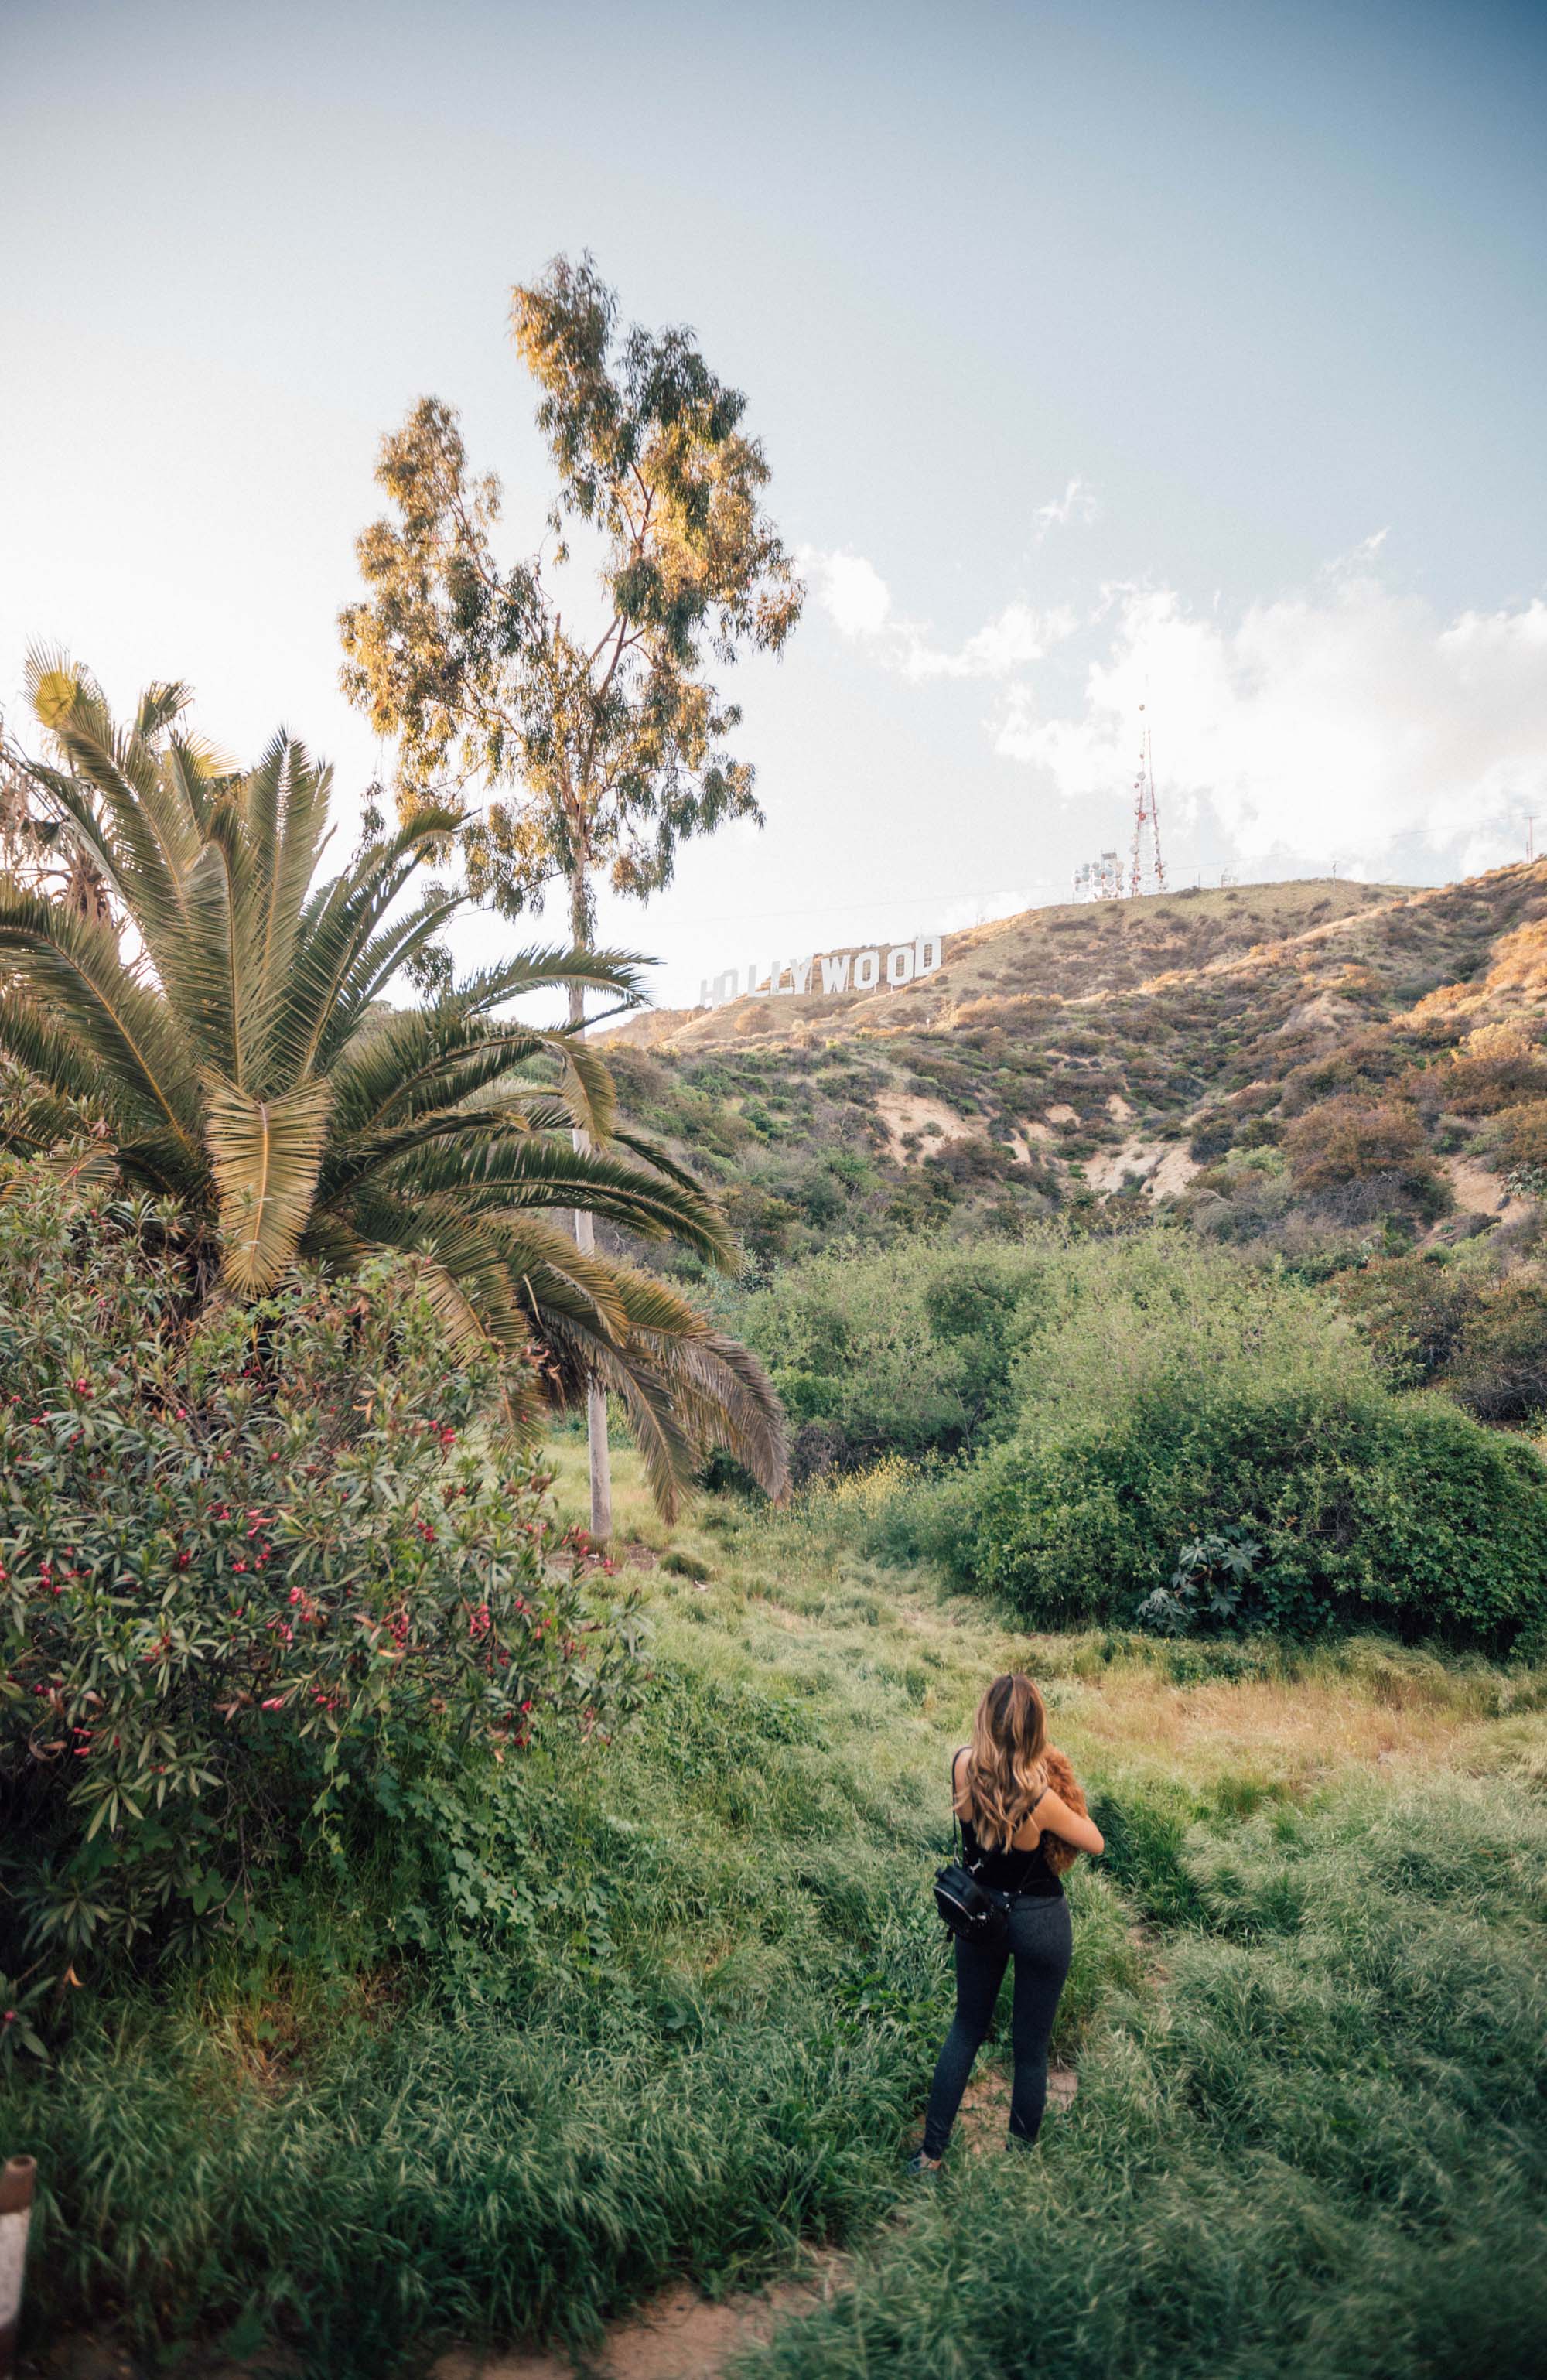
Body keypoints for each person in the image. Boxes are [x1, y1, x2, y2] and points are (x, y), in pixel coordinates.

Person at [910, 1672, 1105, 2173]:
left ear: (983, 1718)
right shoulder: (1041, 1799)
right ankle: (1017, 2167)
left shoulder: (961, 1764)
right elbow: (1095, 1841)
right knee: (1031, 2051)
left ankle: (930, 2155)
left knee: (965, 2029)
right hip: (1039, 1920)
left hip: (979, 1913)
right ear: (1036, 1731)